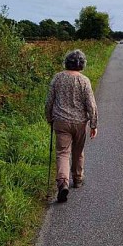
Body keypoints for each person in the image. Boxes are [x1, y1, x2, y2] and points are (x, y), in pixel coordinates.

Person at [45, 49, 98, 203]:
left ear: (66, 62)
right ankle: (78, 178)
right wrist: (94, 124)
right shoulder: (84, 81)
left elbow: (49, 101)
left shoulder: (57, 78)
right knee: (78, 151)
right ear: (82, 64)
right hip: (80, 122)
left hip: (60, 121)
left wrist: (49, 118)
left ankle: (62, 183)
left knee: (62, 153)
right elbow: (91, 105)